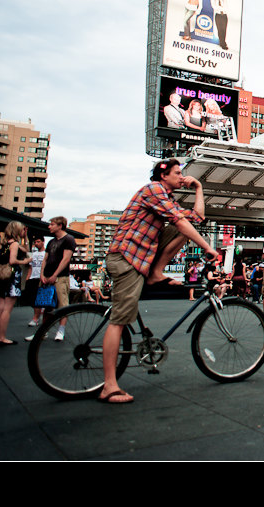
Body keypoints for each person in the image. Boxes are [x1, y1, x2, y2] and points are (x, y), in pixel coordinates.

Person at [99, 159, 219, 404]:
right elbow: (181, 222)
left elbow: (196, 217)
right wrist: (208, 247)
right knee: (119, 320)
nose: (181, 177)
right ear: (163, 175)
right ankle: (109, 386)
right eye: (178, 173)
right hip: (127, 259)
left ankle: (156, 273)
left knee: (183, 227)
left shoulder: (166, 198)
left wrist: (198, 188)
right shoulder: (153, 190)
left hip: (139, 258)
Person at [0, 221, 31, 347]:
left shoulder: (5, 244)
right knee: (7, 309)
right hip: (12, 278)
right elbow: (13, 260)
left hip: (2, 278)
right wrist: (25, 261)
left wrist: (25, 238)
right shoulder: (14, 244)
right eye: (21, 229)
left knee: (1, 308)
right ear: (16, 231)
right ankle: (2, 337)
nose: (22, 231)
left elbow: (26, 249)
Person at [43, 216, 78, 342]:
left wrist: (55, 275)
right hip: (47, 277)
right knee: (46, 305)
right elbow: (45, 259)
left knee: (62, 304)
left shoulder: (68, 239)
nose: (49, 226)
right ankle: (43, 332)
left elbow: (66, 259)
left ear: (60, 226)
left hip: (60, 277)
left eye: (52, 224)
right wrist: (42, 274)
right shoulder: (51, 242)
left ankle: (61, 330)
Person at [24, 237, 47, 327]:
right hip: (32, 278)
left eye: (38, 241)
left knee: (38, 299)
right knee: (30, 298)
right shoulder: (34, 254)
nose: (36, 243)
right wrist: (27, 278)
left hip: (41, 278)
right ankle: (39, 312)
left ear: (43, 242)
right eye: (35, 242)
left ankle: (35, 318)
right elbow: (30, 267)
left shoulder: (46, 254)